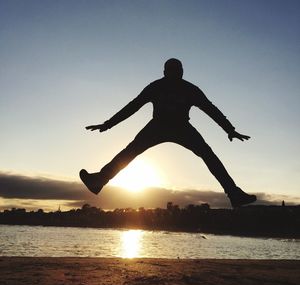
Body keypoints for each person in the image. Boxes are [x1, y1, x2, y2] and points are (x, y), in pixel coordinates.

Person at [80, 58, 256, 208]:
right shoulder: (157, 87)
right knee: (131, 151)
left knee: (208, 155)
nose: (173, 73)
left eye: (176, 70)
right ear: (165, 72)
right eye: (171, 70)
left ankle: (234, 194)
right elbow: (134, 106)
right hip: (158, 126)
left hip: (181, 127)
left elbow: (211, 109)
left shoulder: (189, 89)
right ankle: (99, 180)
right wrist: (109, 124)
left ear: (181, 72)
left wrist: (229, 130)